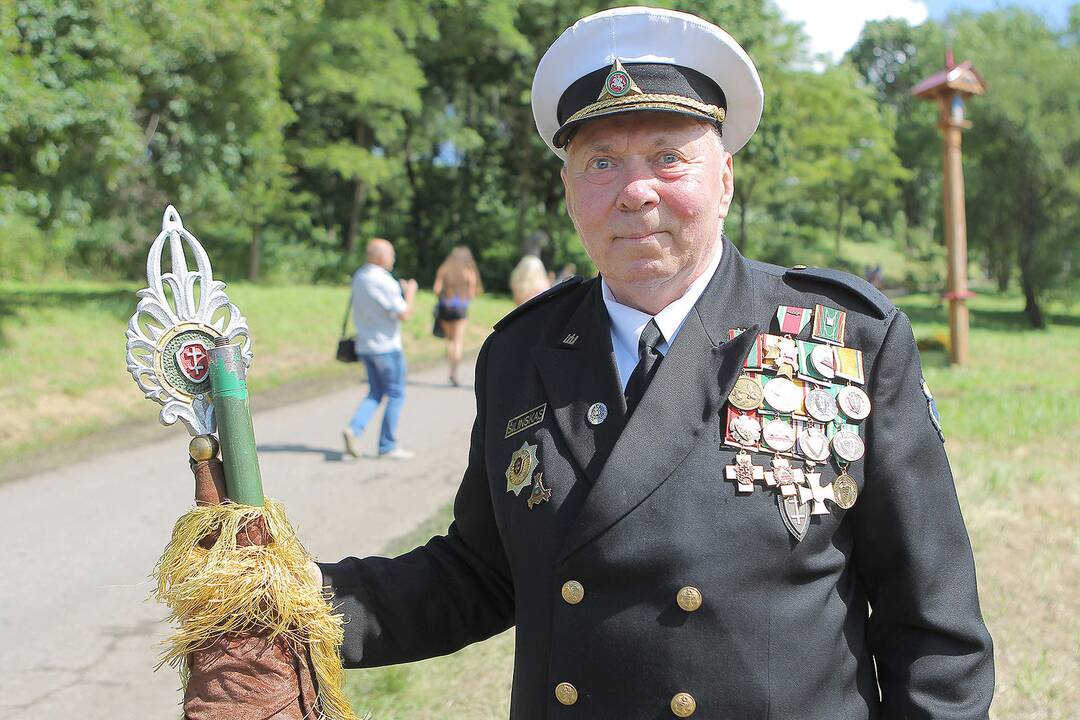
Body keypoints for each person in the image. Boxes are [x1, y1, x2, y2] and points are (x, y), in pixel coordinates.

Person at [188, 7, 995, 719]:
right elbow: (482, 572)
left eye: (668, 158)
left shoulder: (841, 338)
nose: (634, 191)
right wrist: (288, 598)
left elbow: (934, 630)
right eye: (602, 161)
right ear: (569, 190)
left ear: (725, 178)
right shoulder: (521, 354)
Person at [342, 237, 418, 461]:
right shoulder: (384, 281)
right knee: (396, 393)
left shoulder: (360, 276)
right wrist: (410, 293)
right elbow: (404, 313)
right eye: (391, 254)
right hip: (387, 347)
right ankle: (387, 445)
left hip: (365, 345)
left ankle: (354, 428)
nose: (393, 258)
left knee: (375, 392)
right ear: (381, 256)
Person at [433, 246, 483, 386]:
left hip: (445, 308)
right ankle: (454, 373)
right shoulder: (469, 272)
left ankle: (450, 370)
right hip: (460, 309)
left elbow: (436, 289)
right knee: (458, 342)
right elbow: (472, 295)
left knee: (449, 341)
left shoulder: (444, 270)